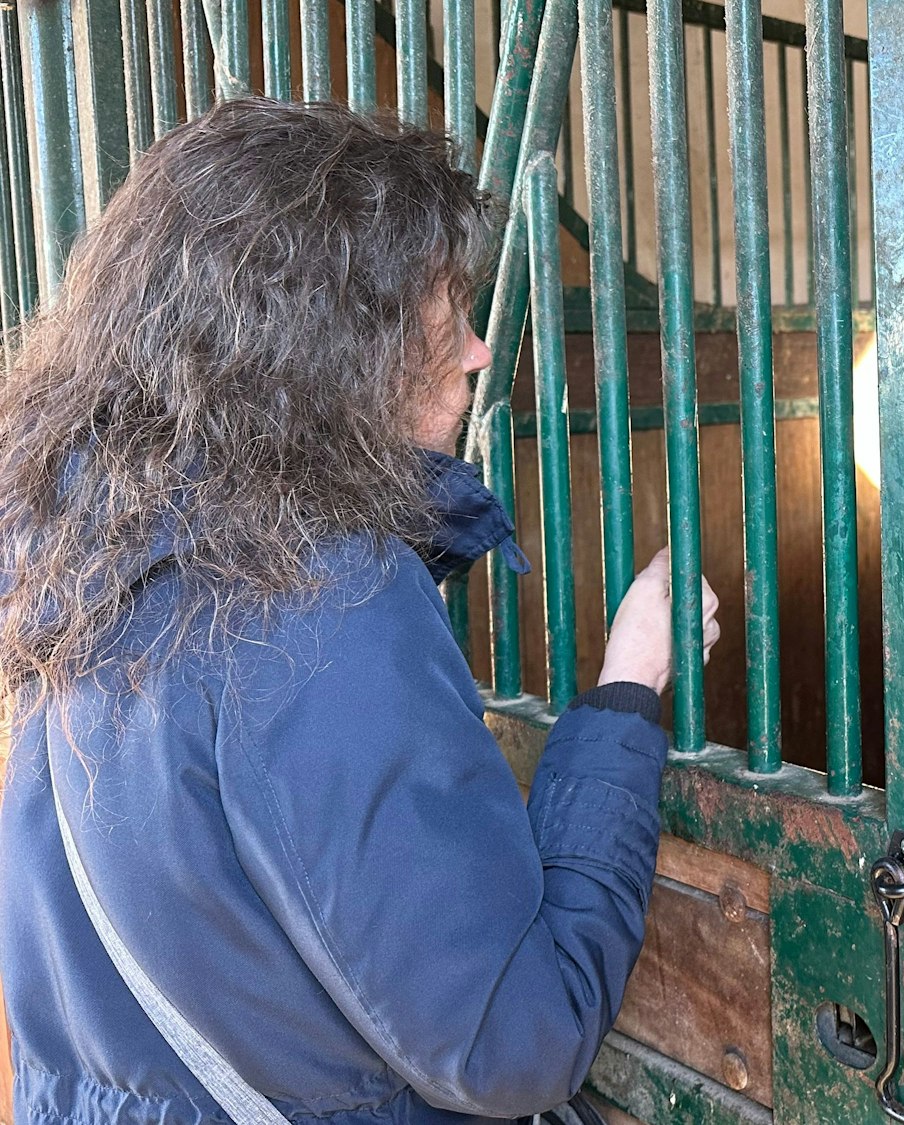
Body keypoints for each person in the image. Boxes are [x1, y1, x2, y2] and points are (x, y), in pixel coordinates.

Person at [0, 97, 719, 1123]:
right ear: (335, 343)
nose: (478, 351)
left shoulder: (82, 558)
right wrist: (627, 689)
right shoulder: (318, 600)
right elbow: (514, 1041)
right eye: (447, 311)